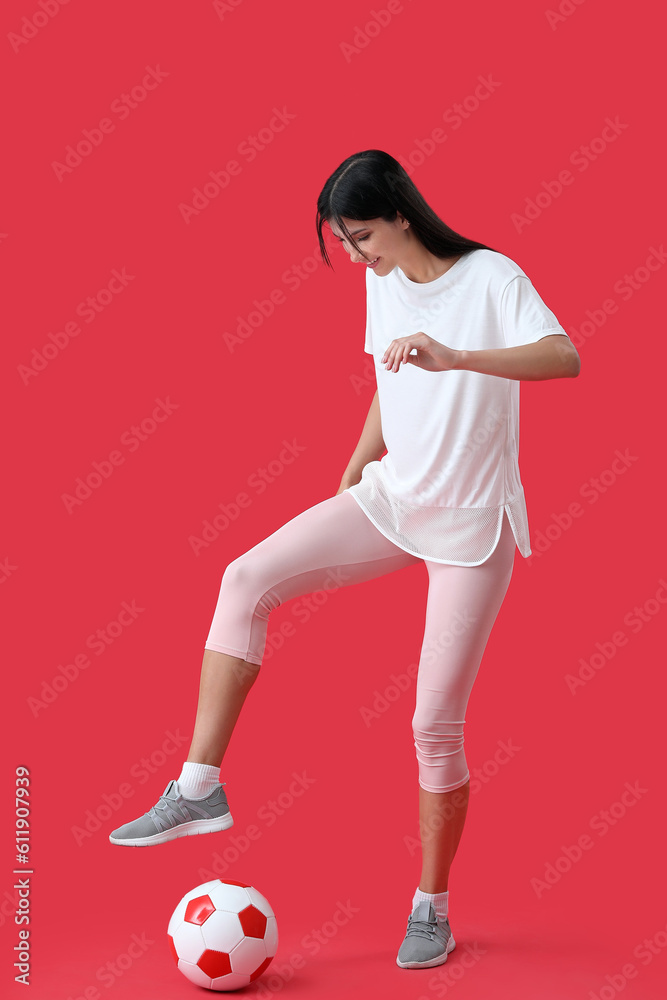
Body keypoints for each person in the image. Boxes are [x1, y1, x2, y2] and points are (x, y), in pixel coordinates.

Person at [109, 149, 581, 970]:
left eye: (361, 236)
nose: (357, 256)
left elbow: (563, 356)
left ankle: (430, 909)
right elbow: (385, 382)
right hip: (392, 499)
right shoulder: (379, 280)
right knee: (245, 578)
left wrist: (458, 355)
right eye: (346, 242)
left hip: (473, 525)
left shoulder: (490, 277)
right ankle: (197, 789)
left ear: (400, 214)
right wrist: (354, 469)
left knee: (432, 726)